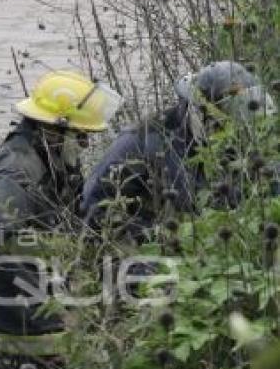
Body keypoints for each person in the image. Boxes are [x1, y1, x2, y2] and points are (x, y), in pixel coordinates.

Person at [0, 70, 121, 369]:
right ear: (55, 130)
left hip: (30, 290)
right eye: (80, 136)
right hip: (13, 305)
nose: (83, 144)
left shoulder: (49, 160)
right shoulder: (22, 169)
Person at [81, 60, 276, 241]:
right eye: (221, 126)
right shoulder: (141, 141)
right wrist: (160, 236)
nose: (228, 133)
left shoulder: (240, 144)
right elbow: (95, 212)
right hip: (152, 246)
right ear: (199, 113)